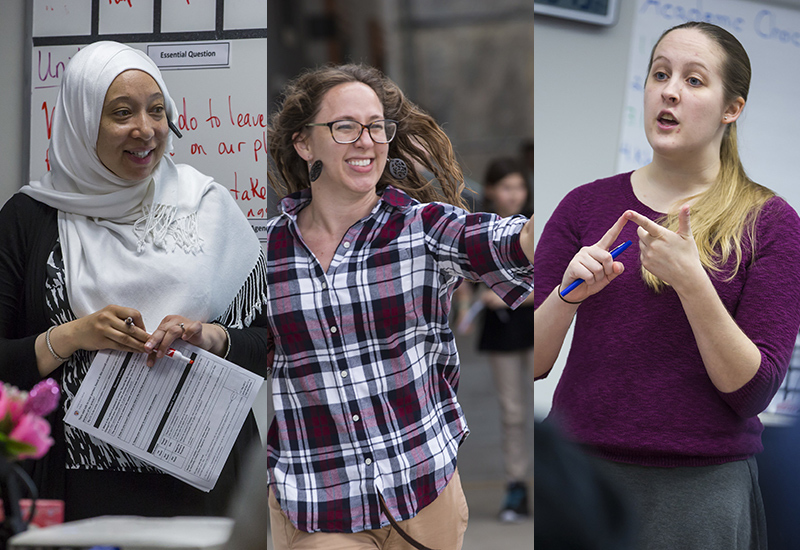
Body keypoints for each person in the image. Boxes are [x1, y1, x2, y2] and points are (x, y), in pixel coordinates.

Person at [534, 22, 800, 550]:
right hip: (579, 479)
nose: (669, 90)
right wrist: (567, 296)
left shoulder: (771, 222)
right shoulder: (583, 206)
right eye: (660, 74)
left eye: (695, 80)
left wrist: (692, 284)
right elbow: (533, 362)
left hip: (701, 492)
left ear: (733, 109)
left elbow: (753, 392)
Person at [265, 63, 534, 549]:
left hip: (423, 490)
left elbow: (503, 240)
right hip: (319, 500)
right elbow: (243, 338)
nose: (365, 141)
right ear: (305, 143)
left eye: (375, 126)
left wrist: (553, 227)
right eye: (345, 127)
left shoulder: (423, 227)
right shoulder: (266, 250)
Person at [0, 41, 270, 520]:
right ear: (82, 122)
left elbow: (272, 343)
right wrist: (75, 334)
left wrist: (209, 336)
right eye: (121, 112)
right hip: (75, 487)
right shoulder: (30, 218)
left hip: (203, 484)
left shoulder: (206, 208)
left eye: (157, 110)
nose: (145, 130)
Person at [457, 157, 533, 522]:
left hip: (539, 325)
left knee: (543, 410)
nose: (514, 195)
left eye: (519, 186)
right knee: (513, 412)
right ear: (490, 191)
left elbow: (559, 282)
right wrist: (467, 307)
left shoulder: (538, 222)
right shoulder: (478, 227)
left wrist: (510, 294)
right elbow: (464, 279)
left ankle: (555, 483)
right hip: (502, 331)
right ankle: (516, 485)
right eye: (506, 187)